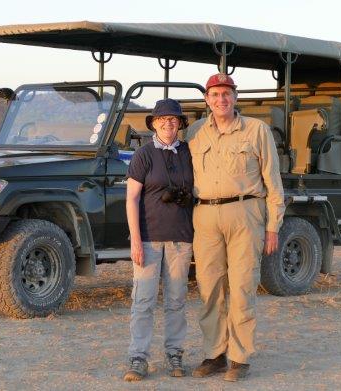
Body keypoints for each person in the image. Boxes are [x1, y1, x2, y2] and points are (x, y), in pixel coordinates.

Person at [184, 73, 285, 382]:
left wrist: (273, 226)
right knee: (209, 287)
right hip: (205, 216)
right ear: (206, 99)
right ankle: (214, 354)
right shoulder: (195, 133)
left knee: (242, 287)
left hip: (246, 213)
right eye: (214, 94)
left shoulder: (256, 130)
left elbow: (273, 181)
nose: (221, 100)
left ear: (235, 98)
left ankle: (239, 358)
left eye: (226, 94)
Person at [123, 98, 194, 382]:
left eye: (173, 119)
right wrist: (135, 241)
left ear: (180, 124)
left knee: (176, 299)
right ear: (153, 122)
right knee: (143, 300)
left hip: (181, 238)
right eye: (162, 118)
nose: (168, 123)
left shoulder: (188, 152)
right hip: (150, 238)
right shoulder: (144, 154)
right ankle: (138, 357)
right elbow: (131, 198)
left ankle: (175, 353)